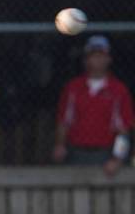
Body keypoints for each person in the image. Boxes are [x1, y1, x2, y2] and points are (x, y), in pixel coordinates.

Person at [53, 35, 133, 176]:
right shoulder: (73, 88)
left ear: (109, 59)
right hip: (76, 153)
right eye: (93, 55)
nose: (98, 60)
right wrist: (60, 145)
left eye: (101, 55)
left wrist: (117, 159)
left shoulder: (118, 90)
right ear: (85, 60)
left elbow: (124, 130)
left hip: (105, 154)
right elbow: (64, 121)